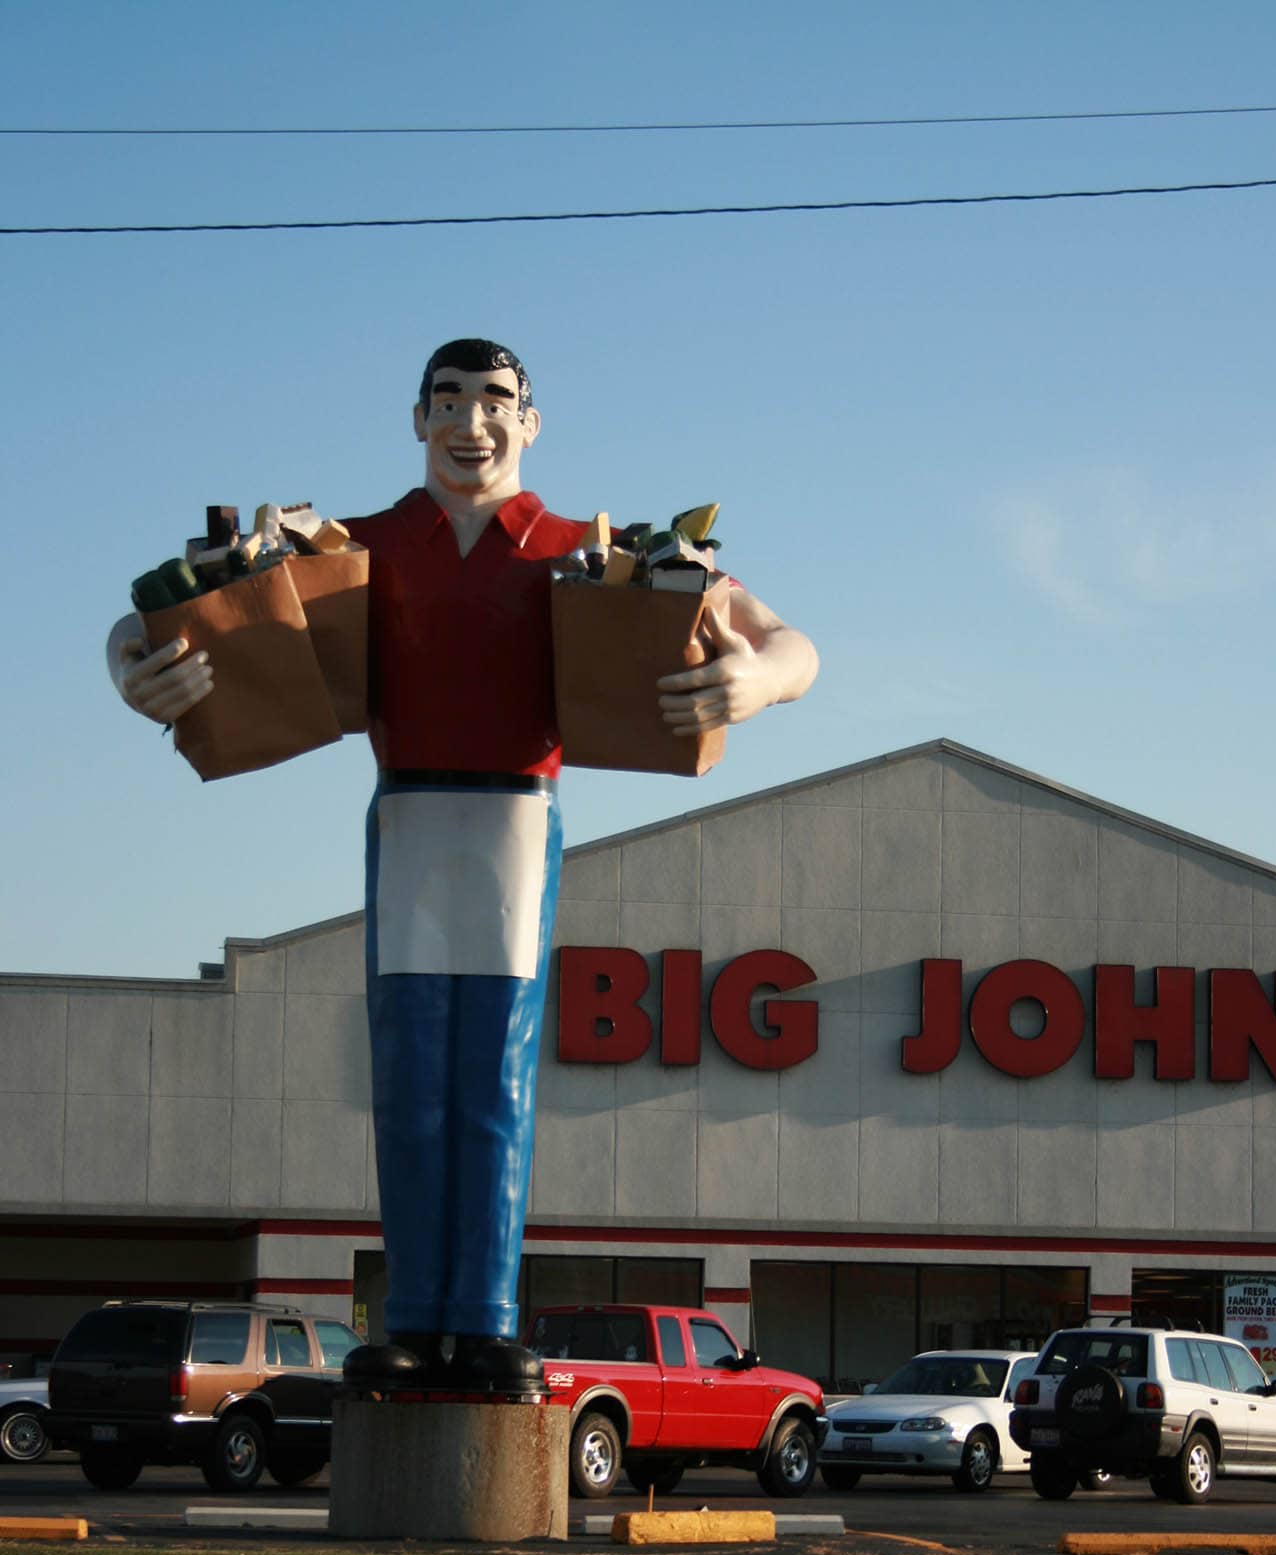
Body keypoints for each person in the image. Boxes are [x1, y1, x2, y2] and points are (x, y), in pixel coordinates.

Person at [109, 338, 819, 1395]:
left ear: (529, 424)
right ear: (416, 420)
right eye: (447, 401)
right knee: (408, 1077)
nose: (469, 423)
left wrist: (750, 683)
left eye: (493, 402)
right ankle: (412, 1322)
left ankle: (480, 1322)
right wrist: (136, 673)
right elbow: (145, 621)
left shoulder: (589, 551)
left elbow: (785, 642)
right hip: (407, 818)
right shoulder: (355, 542)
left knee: (493, 1075)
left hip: (514, 822)